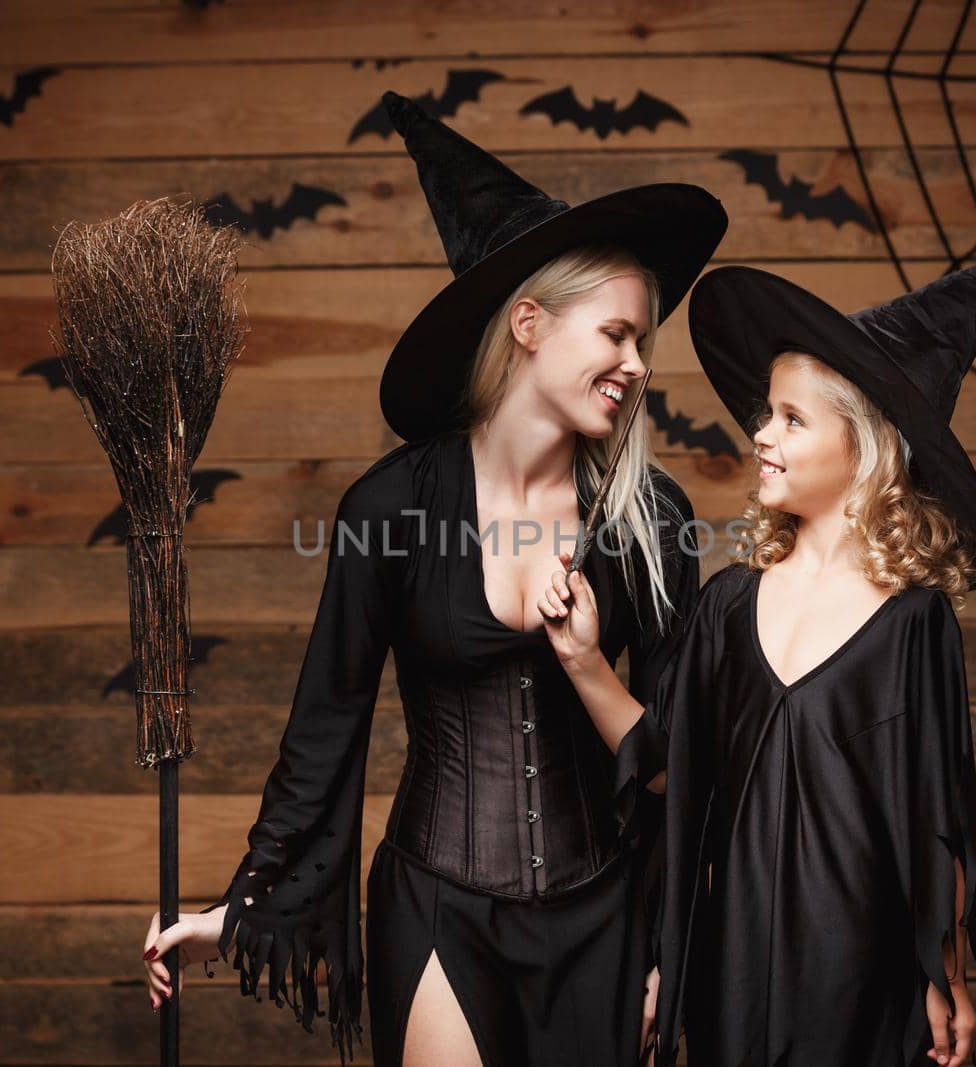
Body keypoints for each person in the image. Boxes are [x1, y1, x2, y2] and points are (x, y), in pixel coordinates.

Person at [139, 90, 728, 1067]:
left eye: (643, 341)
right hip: (440, 905)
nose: (636, 363)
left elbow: (679, 755)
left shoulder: (648, 517)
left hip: (607, 918)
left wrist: (671, 941)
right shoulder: (391, 506)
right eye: (616, 333)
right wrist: (240, 905)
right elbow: (326, 724)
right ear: (530, 325)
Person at [539, 240, 976, 1066]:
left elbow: (935, 821)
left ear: (866, 447)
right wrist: (587, 663)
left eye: (792, 419)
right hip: (736, 964)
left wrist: (943, 976)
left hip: (866, 980)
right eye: (767, 413)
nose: (761, 434)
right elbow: (670, 766)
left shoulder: (913, 623)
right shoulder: (730, 605)